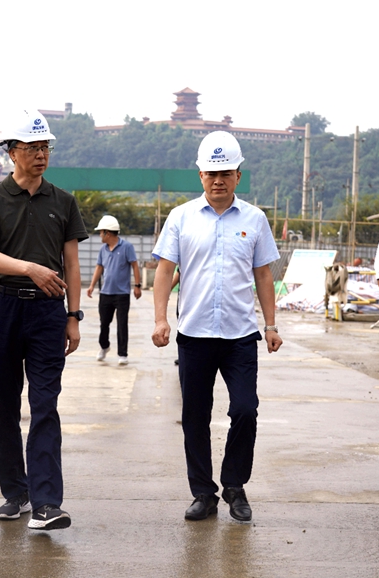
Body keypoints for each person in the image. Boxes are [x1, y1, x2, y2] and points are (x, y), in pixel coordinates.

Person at [151, 130, 282, 523]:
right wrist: (160, 318)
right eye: (211, 173)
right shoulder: (181, 218)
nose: (218, 180)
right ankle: (203, 494)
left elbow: (263, 275)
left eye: (226, 173)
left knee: (245, 410)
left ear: (238, 175)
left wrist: (271, 324)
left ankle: (235, 486)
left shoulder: (255, 219)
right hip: (194, 336)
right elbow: (164, 271)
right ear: (201, 175)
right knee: (195, 416)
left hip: (240, 335)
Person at [0, 109, 88, 530]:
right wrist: (31, 269)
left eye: (46, 148)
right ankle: (15, 493)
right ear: (12, 152)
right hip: (1, 306)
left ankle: (46, 503)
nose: (41, 155)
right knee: (4, 405)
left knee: (45, 405)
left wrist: (73, 316)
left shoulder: (63, 201)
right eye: (33, 148)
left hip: (46, 312)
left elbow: (71, 265)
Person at [86, 215, 142, 365]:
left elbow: (135, 265)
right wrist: (91, 285)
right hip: (106, 293)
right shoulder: (103, 250)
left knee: (122, 324)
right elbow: (99, 267)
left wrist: (137, 286)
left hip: (122, 294)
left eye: (101, 232)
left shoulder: (127, 247)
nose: (100, 235)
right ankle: (104, 346)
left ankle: (122, 354)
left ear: (108, 233)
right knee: (104, 323)